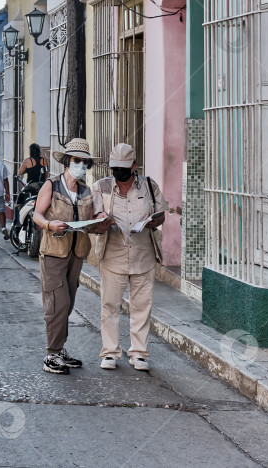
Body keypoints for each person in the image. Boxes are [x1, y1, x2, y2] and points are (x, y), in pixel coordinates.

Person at [92, 143, 167, 372]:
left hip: (143, 254)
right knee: (109, 305)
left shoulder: (149, 186)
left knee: (142, 306)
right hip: (113, 255)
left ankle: (139, 353)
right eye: (115, 168)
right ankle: (110, 352)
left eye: (124, 168)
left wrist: (155, 220)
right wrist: (101, 221)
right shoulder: (101, 187)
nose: (119, 174)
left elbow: (161, 214)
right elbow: (94, 218)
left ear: (135, 165)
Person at [32, 138, 97, 375]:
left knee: (67, 302)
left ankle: (60, 350)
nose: (80, 165)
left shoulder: (86, 190)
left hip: (76, 252)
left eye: (84, 162)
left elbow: (89, 219)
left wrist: (100, 221)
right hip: (53, 253)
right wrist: (49, 224)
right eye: (76, 160)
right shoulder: (52, 185)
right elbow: (37, 215)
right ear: (68, 162)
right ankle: (52, 354)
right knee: (57, 303)